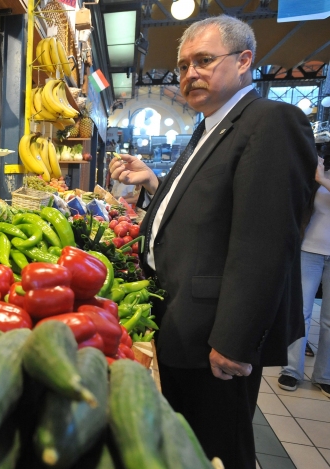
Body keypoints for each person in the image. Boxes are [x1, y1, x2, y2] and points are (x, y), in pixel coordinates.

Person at [109, 15, 315, 468]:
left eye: (203, 60)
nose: (189, 74)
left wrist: (236, 339)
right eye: (183, 66)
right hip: (186, 318)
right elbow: (209, 207)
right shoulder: (211, 125)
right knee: (190, 440)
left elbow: (266, 242)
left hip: (215, 333)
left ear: (244, 61)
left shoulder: (272, 121)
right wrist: (152, 183)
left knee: (220, 444)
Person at [278, 154, 330, 398]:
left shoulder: (322, 176)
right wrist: (315, 176)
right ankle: (291, 370)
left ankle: (324, 375)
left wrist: (322, 179)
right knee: (302, 312)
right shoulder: (318, 170)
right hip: (309, 250)